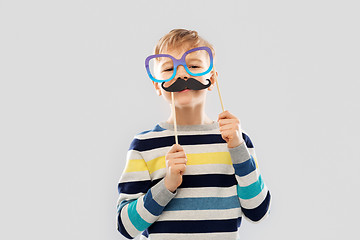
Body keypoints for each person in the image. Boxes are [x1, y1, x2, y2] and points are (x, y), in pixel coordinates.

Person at [116, 29, 271, 240]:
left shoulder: (235, 140)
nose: (181, 75)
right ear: (156, 85)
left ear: (212, 78)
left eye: (194, 66)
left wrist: (237, 148)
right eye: (169, 68)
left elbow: (258, 211)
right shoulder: (144, 146)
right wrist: (167, 184)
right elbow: (126, 226)